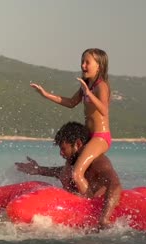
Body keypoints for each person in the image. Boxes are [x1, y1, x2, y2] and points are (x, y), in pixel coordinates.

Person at [29, 49, 111, 196]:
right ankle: (71, 200)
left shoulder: (101, 86)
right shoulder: (86, 85)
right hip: (87, 136)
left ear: (99, 65)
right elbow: (71, 103)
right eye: (82, 62)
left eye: (87, 62)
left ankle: (91, 206)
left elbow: (104, 110)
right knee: (67, 173)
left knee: (77, 174)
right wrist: (46, 95)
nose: (83, 65)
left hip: (100, 137)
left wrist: (89, 94)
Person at [15, 121, 121, 229]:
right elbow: (60, 172)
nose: (61, 153)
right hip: (72, 212)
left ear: (78, 144)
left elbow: (115, 184)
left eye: (63, 148)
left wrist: (104, 219)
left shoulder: (98, 161)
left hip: (92, 212)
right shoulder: (72, 163)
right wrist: (39, 170)